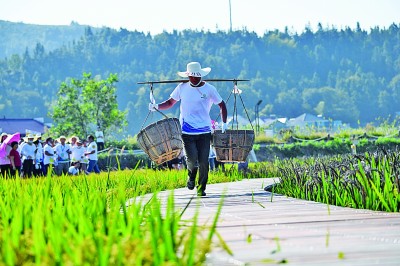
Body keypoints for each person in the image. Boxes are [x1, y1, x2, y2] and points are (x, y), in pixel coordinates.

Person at [149, 62, 227, 196]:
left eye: (197, 77)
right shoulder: (182, 88)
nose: (194, 79)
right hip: (187, 131)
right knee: (192, 160)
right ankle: (191, 176)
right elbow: (170, 102)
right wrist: (156, 106)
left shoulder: (209, 89)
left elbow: (222, 104)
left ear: (201, 76)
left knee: (203, 162)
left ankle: (201, 188)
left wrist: (224, 123)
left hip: (204, 131)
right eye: (191, 77)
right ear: (188, 76)